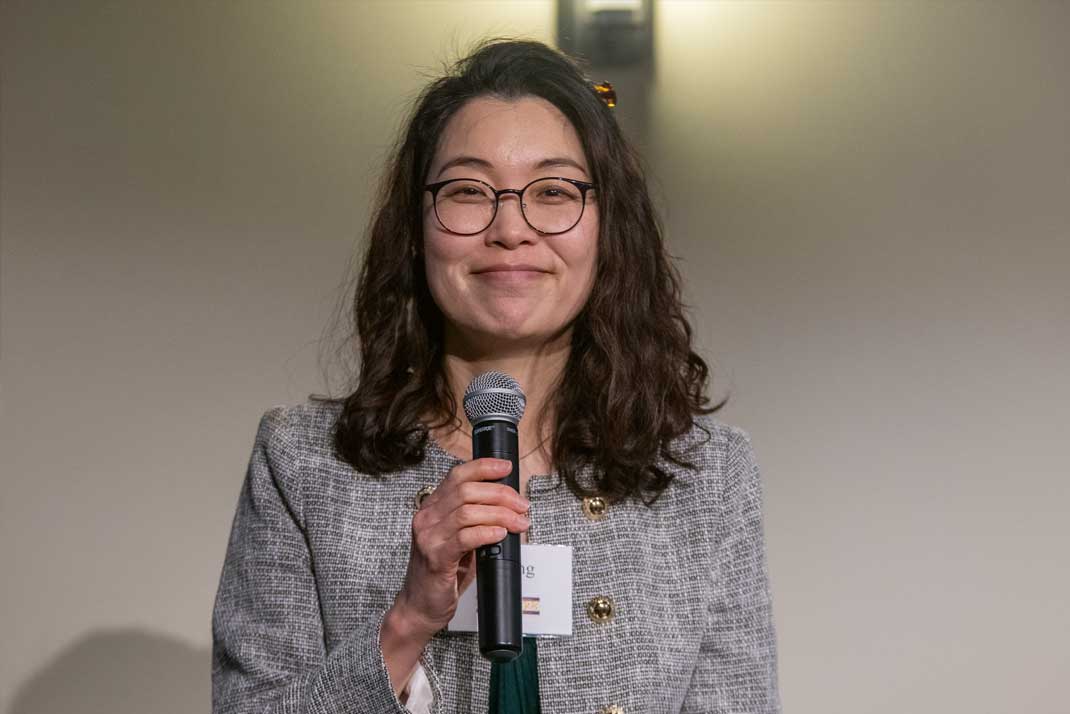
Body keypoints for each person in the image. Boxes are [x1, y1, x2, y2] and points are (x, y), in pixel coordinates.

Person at [212, 39, 780, 714]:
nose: (510, 229)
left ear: (609, 229)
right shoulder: (303, 461)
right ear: (416, 229)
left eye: (553, 192)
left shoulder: (707, 478)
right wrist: (407, 620)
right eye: (467, 191)